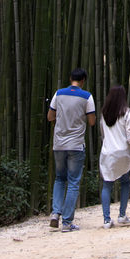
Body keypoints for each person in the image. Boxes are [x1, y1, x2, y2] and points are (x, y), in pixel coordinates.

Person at [47, 67, 96, 232]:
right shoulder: (87, 96)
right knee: (73, 182)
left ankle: (55, 213)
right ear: (83, 81)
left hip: (59, 144)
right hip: (76, 145)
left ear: (70, 79)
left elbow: (50, 116)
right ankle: (67, 222)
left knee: (59, 179)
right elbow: (91, 121)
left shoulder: (58, 94)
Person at [98, 84, 130, 229]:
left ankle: (107, 220)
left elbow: (103, 134)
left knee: (107, 185)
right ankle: (122, 215)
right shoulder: (127, 112)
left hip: (107, 152)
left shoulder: (104, 114)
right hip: (122, 153)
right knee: (125, 182)